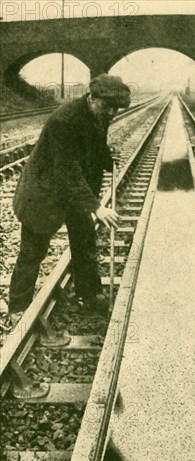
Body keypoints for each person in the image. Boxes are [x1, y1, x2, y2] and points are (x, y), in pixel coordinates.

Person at [8, 74, 131, 323]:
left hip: (74, 192)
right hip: (44, 192)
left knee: (85, 242)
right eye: (108, 106)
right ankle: (17, 308)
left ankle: (89, 293)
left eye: (116, 108)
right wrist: (96, 206)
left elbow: (94, 147)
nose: (112, 112)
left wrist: (108, 159)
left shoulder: (99, 114)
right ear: (91, 97)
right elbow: (67, 169)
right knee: (33, 251)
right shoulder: (64, 121)